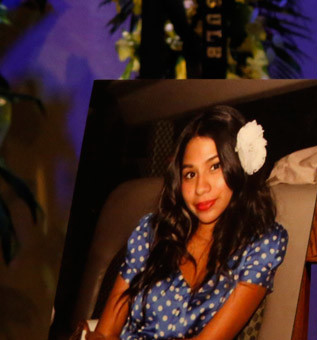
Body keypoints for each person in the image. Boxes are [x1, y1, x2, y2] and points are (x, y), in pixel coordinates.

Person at [87, 106, 288, 340]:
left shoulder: (263, 242)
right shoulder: (151, 232)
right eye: (190, 174)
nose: (201, 188)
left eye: (215, 167)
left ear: (239, 167)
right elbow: (104, 331)